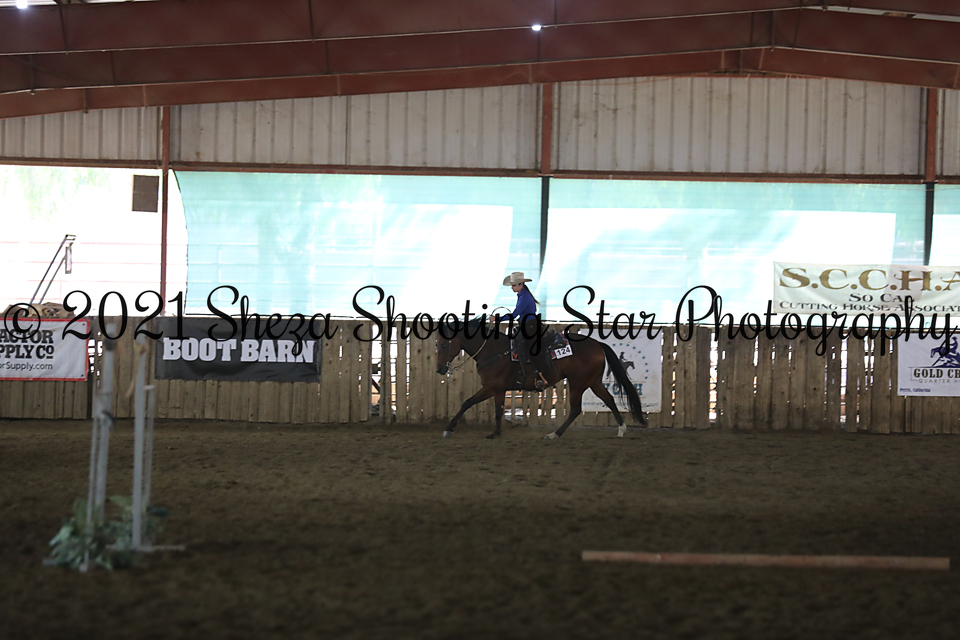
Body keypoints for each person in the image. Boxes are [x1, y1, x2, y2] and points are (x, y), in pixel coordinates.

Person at [502, 271, 552, 391]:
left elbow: (514, 315)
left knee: (526, 346)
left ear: (521, 284)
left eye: (514, 285)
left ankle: (536, 373)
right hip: (527, 325)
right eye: (512, 285)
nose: (512, 288)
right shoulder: (523, 295)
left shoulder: (524, 297)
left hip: (530, 326)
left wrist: (498, 319)